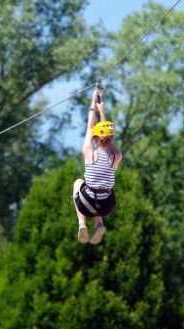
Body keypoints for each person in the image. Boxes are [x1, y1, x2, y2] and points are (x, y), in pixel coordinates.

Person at [72, 88, 122, 244]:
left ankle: (81, 223)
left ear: (95, 139)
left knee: (79, 183)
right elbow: (108, 137)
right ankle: (99, 222)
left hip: (86, 204)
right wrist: (103, 112)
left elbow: (90, 127)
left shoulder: (89, 153)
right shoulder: (116, 156)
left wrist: (94, 103)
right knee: (101, 188)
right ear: (111, 139)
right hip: (106, 206)